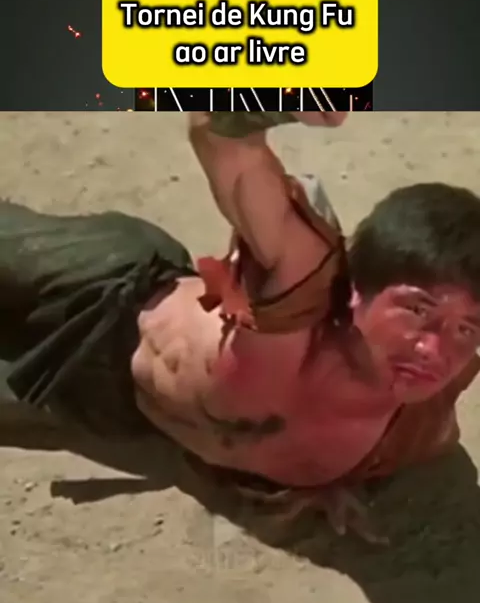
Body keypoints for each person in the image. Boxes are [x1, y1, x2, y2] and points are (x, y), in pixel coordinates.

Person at [1, 112, 479, 544]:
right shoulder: (301, 294)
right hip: (104, 290)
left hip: (103, 402)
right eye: (418, 310)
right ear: (357, 288)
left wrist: (332, 481)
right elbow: (221, 139)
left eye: (466, 330)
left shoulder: (412, 433)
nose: (434, 351)